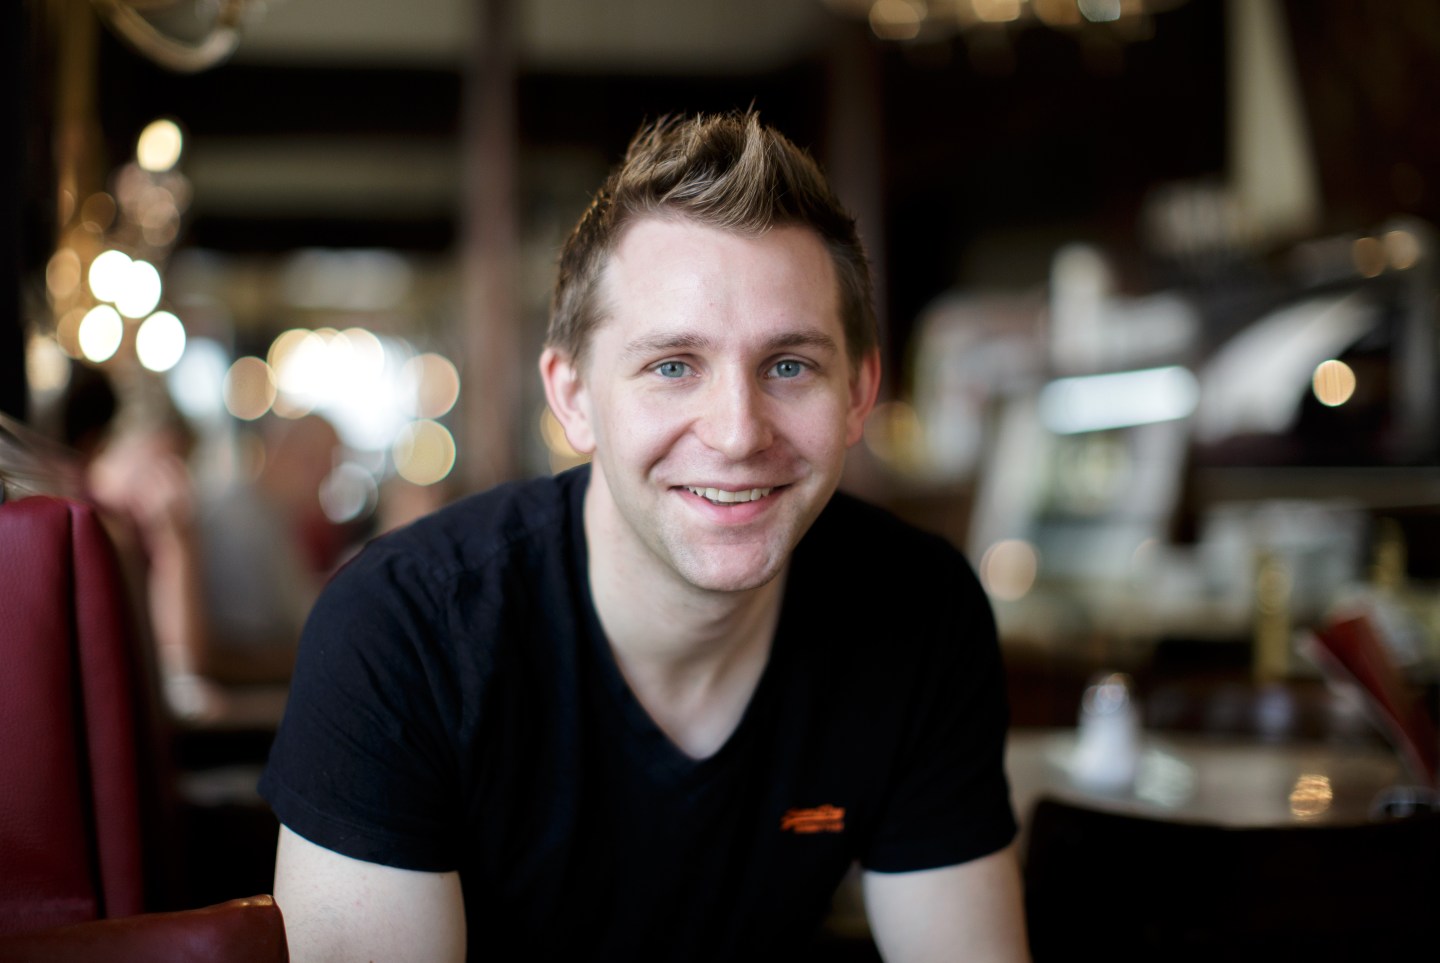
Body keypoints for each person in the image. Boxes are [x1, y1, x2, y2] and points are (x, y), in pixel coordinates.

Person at [261, 111, 1028, 962]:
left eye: (789, 365)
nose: (738, 432)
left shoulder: (920, 610)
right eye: (673, 366)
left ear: (858, 393)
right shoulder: (403, 628)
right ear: (574, 396)